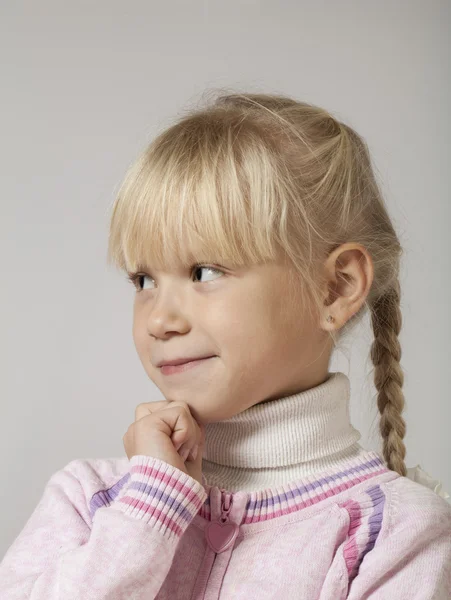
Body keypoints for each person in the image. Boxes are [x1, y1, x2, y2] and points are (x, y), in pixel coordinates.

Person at [1, 92, 450, 599]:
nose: (161, 320)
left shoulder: (393, 536)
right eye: (143, 280)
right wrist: (149, 511)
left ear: (336, 289)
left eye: (204, 271)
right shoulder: (90, 501)